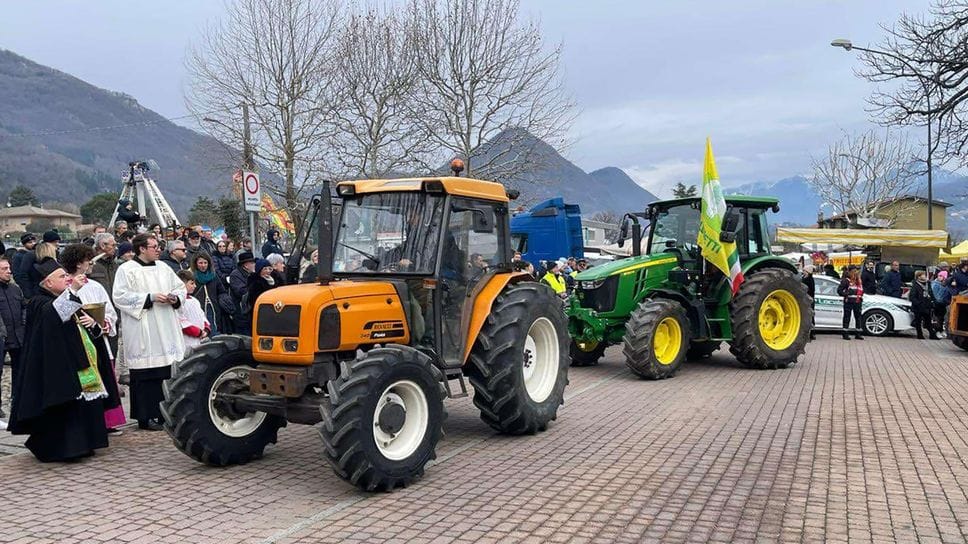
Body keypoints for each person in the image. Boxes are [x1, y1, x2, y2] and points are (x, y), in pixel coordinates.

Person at [8, 258, 109, 461]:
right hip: (53, 366)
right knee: (62, 407)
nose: (67, 279)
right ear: (48, 282)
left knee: (81, 405)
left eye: (67, 275)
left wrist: (94, 324)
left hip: (76, 361)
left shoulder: (64, 298)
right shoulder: (38, 301)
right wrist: (74, 291)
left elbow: (80, 322)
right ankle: (64, 449)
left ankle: (85, 444)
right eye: (62, 276)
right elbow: (53, 314)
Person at [112, 234, 186, 431]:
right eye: (154, 246)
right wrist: (149, 297)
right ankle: (146, 416)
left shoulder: (163, 267)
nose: (158, 249)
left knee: (166, 372)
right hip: (143, 327)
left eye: (158, 246)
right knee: (145, 375)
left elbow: (180, 288)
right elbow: (119, 296)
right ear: (142, 249)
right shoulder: (126, 269)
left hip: (166, 326)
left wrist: (175, 298)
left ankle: (166, 414)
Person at [60, 244, 126, 433]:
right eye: (88, 260)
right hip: (77, 342)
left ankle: (106, 421)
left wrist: (102, 322)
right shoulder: (65, 285)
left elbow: (110, 311)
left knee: (104, 378)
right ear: (78, 263)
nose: (92, 264)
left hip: (98, 340)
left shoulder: (95, 286)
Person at [0, 257, 24, 417]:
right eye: (4, 269)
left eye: (9, 268)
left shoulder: (15, 289)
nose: (9, 271)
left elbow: (24, 307)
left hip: (17, 337)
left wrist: (24, 324)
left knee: (20, 371)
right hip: (2, 337)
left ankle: (17, 401)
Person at [191, 252, 232, 335]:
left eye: (205, 263)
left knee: (214, 329)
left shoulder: (213, 276)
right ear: (196, 264)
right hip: (199, 309)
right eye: (200, 263)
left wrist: (223, 300)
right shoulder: (192, 277)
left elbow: (221, 291)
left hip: (214, 308)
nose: (203, 265)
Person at [176, 270, 210, 357]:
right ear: (182, 284)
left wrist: (206, 329)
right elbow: (181, 322)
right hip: (187, 341)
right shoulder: (177, 302)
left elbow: (202, 316)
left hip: (200, 339)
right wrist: (198, 332)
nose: (195, 286)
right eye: (192, 283)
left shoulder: (194, 300)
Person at [229, 251, 256, 335]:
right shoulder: (235, 275)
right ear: (246, 265)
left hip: (251, 312)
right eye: (252, 263)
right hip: (241, 312)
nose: (254, 265)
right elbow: (240, 291)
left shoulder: (253, 274)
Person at [88, 233, 119, 298]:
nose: (116, 248)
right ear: (102, 245)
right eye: (113, 245)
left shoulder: (115, 265)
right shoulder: (90, 265)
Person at [837, 266, 864, 340]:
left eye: (856, 271)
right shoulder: (846, 281)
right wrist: (847, 293)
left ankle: (858, 333)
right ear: (849, 272)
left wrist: (861, 294)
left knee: (858, 317)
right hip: (848, 301)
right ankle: (845, 333)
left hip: (858, 301)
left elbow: (861, 289)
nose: (855, 273)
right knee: (847, 317)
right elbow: (839, 291)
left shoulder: (859, 280)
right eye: (853, 271)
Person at [909, 270, 938, 340]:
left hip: (927, 306)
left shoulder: (928, 284)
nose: (925, 276)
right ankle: (920, 335)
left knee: (928, 321)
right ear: (918, 277)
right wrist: (918, 303)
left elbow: (931, 293)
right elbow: (912, 297)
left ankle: (932, 335)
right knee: (918, 321)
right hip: (918, 307)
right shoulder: (915, 285)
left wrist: (934, 301)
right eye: (923, 275)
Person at [802, 264, 816, 340]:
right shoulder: (804, 278)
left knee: (810, 317)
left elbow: (811, 290)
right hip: (805, 300)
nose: (803, 272)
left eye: (804, 271)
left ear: (808, 272)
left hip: (809, 300)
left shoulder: (809, 279)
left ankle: (811, 334)